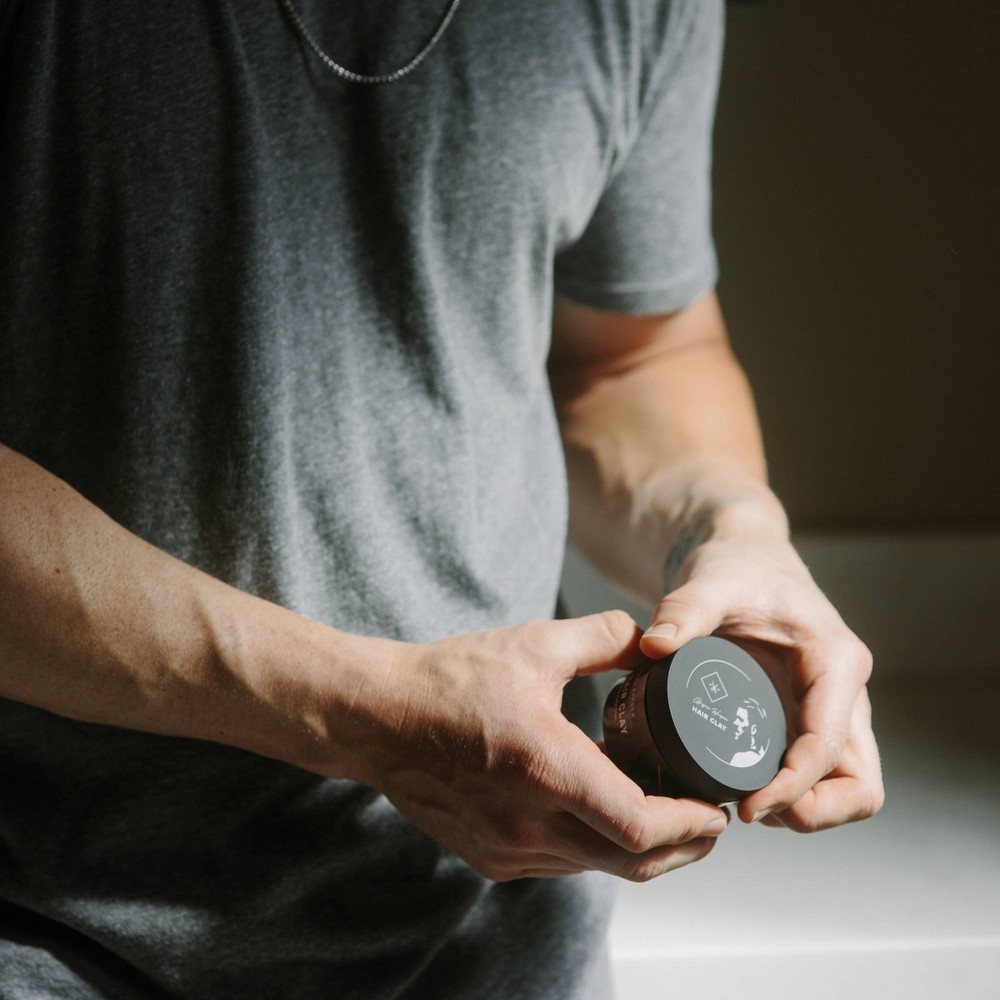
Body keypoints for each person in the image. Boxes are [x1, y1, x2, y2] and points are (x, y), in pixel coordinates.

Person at [0, 0, 883, 997]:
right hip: (50, 930)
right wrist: (363, 715)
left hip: (500, 943)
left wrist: (734, 525)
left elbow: (634, 353)